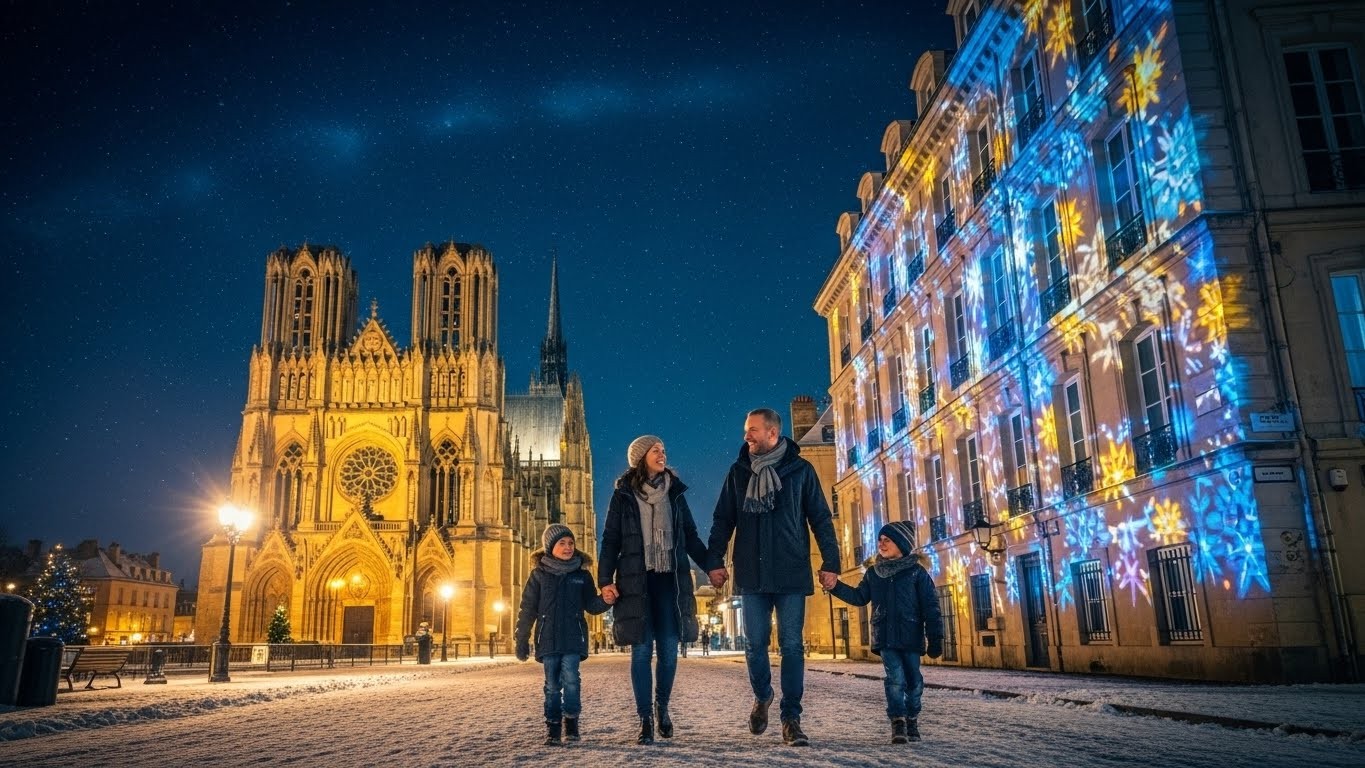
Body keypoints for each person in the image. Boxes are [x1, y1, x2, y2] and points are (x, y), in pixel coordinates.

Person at [706, 408, 841, 747]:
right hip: (751, 574)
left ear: (772, 433)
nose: (746, 436)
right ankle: (763, 693)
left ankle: (791, 718)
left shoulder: (800, 470)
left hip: (791, 571)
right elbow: (723, 520)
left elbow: (821, 519)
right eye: (745, 430)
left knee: (792, 646)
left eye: (752, 430)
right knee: (754, 644)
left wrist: (831, 562)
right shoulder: (738, 472)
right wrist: (714, 563)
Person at [599, 435, 711, 745]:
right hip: (636, 579)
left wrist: (712, 565)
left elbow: (689, 535)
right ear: (640, 457)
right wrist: (604, 579)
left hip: (669, 581)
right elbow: (610, 540)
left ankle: (662, 707)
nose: (662, 454)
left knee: (669, 651)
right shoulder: (622, 495)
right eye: (655, 450)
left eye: (663, 449)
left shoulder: (674, 492)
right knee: (641, 651)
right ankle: (645, 719)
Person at [828, 521, 944, 744]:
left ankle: (911, 718)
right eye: (880, 540)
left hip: (911, 636)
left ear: (901, 544)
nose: (881, 544)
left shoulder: (916, 573)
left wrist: (935, 637)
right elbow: (859, 597)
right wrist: (835, 587)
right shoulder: (874, 573)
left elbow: (931, 607)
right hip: (885, 637)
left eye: (886, 540)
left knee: (914, 681)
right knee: (895, 678)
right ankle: (898, 721)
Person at [514, 524, 614, 746]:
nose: (568, 547)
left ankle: (571, 722)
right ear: (550, 547)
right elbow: (527, 609)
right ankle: (552, 727)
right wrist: (521, 638)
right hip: (547, 639)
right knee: (551, 685)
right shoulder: (538, 575)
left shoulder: (582, 575)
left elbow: (591, 605)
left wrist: (606, 601)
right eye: (562, 543)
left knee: (571, 680)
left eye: (571, 543)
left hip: (572, 638)